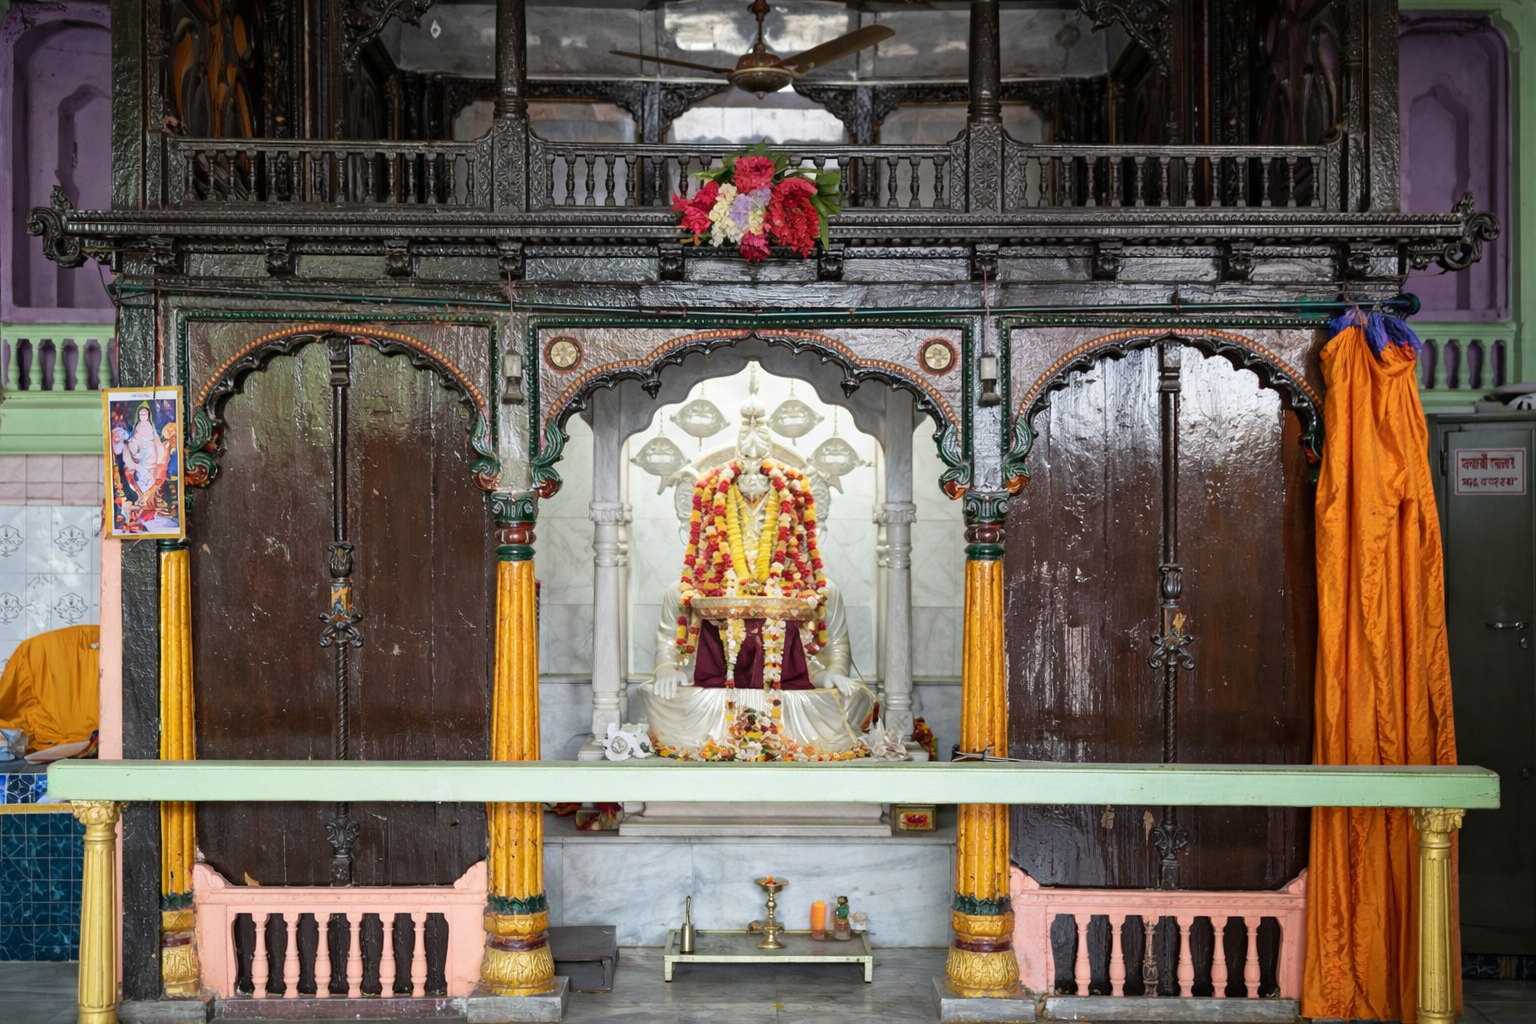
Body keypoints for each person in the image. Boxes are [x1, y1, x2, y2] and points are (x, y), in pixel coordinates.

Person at [637, 373, 873, 759]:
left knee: (847, 702)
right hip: (713, 699)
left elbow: (831, 652)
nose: (752, 528)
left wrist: (831, 673)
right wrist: (665, 668)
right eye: (740, 516)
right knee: (657, 697)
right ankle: (744, 738)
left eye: (764, 517)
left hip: (794, 699)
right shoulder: (689, 593)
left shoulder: (818, 592)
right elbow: (671, 646)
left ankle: (739, 739)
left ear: (789, 524)